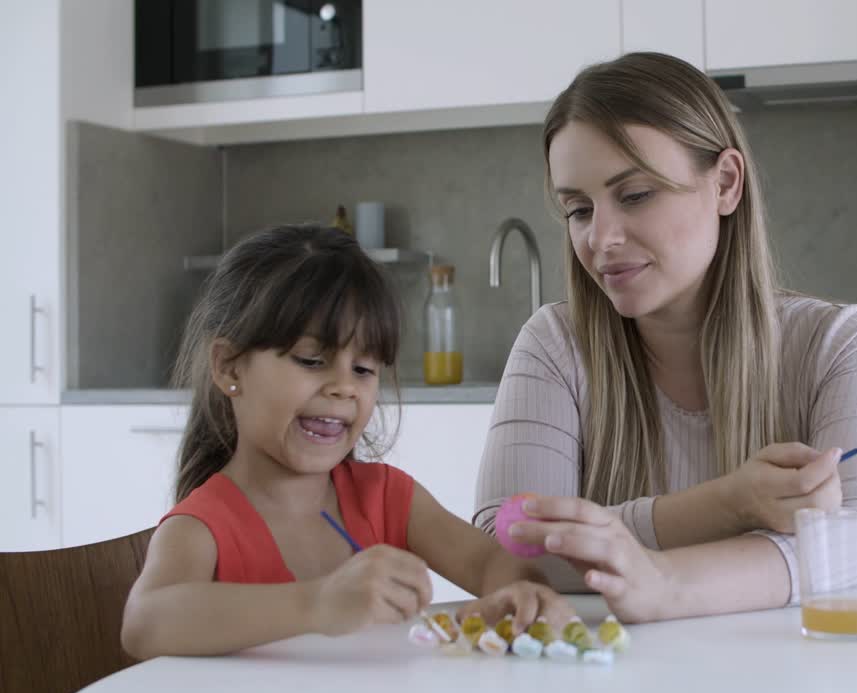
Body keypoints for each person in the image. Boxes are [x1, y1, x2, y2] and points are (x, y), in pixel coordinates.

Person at [472, 52, 857, 623]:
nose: (600, 238)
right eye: (578, 209)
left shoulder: (841, 346)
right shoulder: (555, 345)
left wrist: (663, 584)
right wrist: (728, 505)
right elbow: (510, 546)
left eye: (634, 195)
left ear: (725, 183)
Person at [122, 225, 571, 659]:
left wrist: (519, 594)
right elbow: (144, 624)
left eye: (363, 370)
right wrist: (316, 604)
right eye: (312, 360)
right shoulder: (202, 527)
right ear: (229, 367)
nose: (344, 388)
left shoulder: (388, 498)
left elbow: (489, 563)